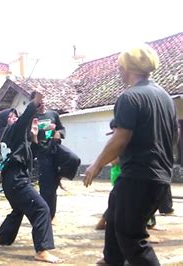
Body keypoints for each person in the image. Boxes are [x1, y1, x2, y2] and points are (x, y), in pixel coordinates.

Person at [83, 44, 178, 265]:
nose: (119, 71)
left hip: (139, 176)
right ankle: (111, 261)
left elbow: (120, 138)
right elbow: (173, 136)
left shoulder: (130, 97)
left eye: (120, 67)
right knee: (115, 220)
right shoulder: (165, 97)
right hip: (156, 176)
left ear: (128, 68)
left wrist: (96, 165)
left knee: (131, 236)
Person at [0, 90, 62, 263]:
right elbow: (26, 117)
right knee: (41, 209)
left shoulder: (9, 136)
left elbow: (31, 150)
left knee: (19, 209)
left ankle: (1, 238)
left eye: (16, 116)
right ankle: (42, 250)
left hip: (11, 182)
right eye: (11, 117)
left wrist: (33, 137)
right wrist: (36, 100)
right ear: (4, 122)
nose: (15, 119)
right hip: (17, 181)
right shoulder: (11, 131)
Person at [32, 93, 80, 221]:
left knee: (73, 159)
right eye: (39, 100)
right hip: (42, 153)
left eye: (43, 99)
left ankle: (60, 175)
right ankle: (48, 216)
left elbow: (61, 128)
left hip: (55, 147)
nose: (42, 102)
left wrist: (58, 133)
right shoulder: (32, 117)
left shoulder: (53, 114)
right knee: (48, 189)